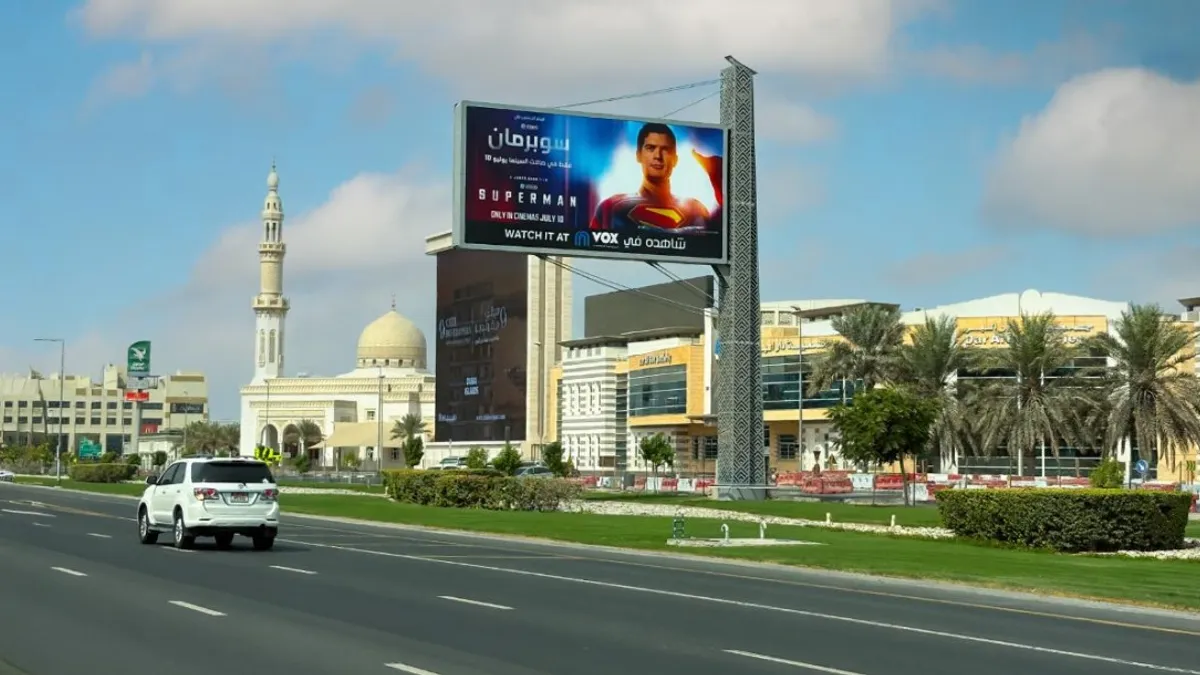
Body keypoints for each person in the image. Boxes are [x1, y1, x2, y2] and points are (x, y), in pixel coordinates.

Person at [589, 122, 723, 233]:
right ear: (638, 155)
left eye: (665, 149)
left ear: (675, 159)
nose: (658, 156)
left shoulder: (696, 210)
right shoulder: (612, 207)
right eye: (650, 148)